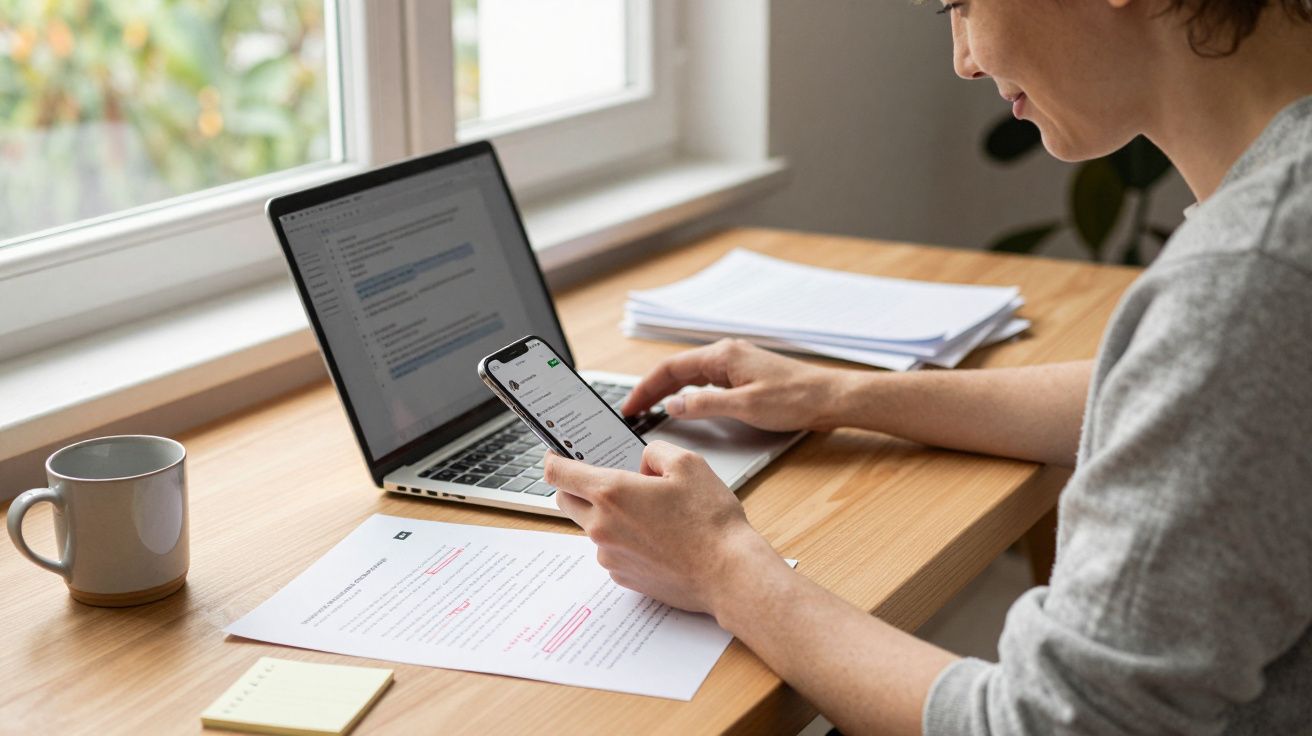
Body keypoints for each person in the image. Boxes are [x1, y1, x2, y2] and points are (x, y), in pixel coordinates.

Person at [544, 0, 1312, 733]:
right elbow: (1181, 393)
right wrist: (839, 394)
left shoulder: (1252, 277)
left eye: (962, 5)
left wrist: (721, 565)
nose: (965, 60)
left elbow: (1047, 724)